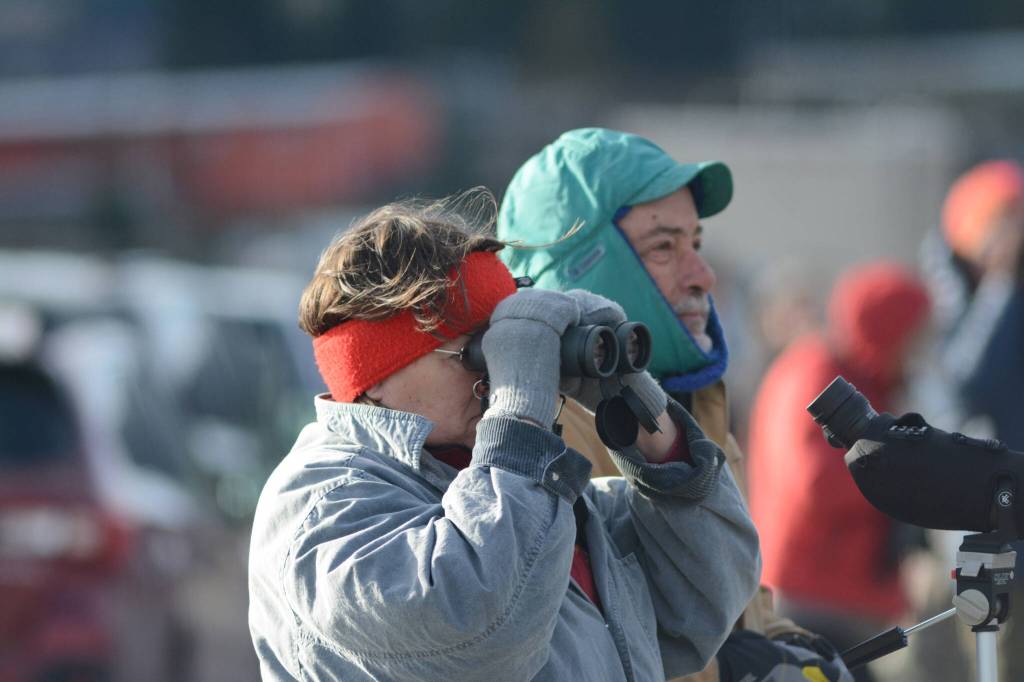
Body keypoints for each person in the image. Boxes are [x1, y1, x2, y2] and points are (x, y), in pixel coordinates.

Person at [247, 194, 761, 681]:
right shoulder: (321, 504)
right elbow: (477, 632)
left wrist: (637, 407)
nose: (499, 373)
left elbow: (700, 605)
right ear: (374, 376)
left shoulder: (539, 497)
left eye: (507, 348)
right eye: (478, 351)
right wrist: (519, 410)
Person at [496, 128, 854, 682]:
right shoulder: (532, 438)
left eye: (697, 243)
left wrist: (793, 649)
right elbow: (574, 649)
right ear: (584, 270)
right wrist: (727, 670)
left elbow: (741, 601)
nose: (702, 275)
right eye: (664, 247)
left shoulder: (686, 398)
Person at [747, 261, 931, 682]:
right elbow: (816, 482)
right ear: (888, 328)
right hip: (815, 592)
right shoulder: (819, 373)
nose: (920, 349)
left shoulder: (862, 373)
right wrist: (906, 470)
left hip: (839, 590)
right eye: (914, 336)